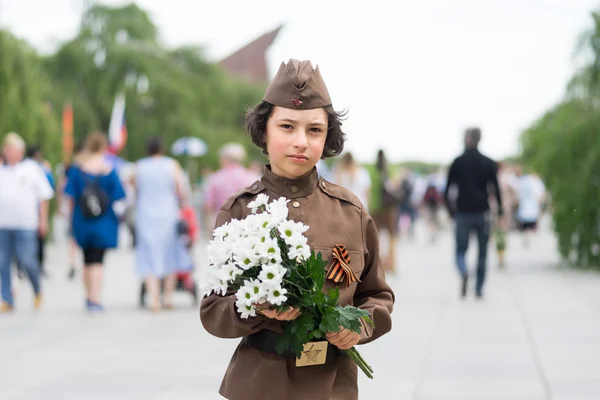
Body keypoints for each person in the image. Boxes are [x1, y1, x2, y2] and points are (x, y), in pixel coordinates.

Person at [200, 59, 394, 400]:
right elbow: (213, 309)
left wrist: (358, 326)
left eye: (314, 130)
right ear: (264, 131)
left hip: (334, 385)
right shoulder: (240, 210)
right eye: (287, 127)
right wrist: (255, 307)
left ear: (328, 137)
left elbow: (376, 295)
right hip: (261, 383)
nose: (301, 141)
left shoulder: (350, 211)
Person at [64, 132, 126, 312]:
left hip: (82, 221)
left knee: (86, 260)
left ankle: (88, 296)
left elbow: (70, 197)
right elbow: (120, 197)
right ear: (103, 148)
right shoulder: (109, 170)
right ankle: (95, 300)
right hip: (103, 222)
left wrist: (70, 220)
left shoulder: (77, 169)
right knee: (97, 261)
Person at [133, 136, 192, 312]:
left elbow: (135, 190)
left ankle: (153, 299)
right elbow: (181, 190)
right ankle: (167, 296)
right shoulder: (171, 165)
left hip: (146, 214)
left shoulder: (139, 166)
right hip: (168, 213)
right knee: (170, 252)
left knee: (149, 253)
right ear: (162, 148)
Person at [444, 127, 503, 299]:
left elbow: (447, 190)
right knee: (482, 252)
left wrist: (450, 210)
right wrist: (499, 210)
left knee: (460, 250)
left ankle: (463, 270)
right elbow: (496, 188)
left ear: (468, 139)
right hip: (482, 213)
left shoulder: (458, 161)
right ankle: (478, 288)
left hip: (462, 213)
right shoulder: (488, 162)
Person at [0, 133, 53, 312]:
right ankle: (7, 299)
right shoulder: (2, 169)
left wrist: (43, 220)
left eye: (15, 150)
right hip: (3, 224)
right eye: (8, 150)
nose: (11, 153)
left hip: (26, 223)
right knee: (2, 262)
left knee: (27, 260)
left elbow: (44, 195)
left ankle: (37, 289)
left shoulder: (31, 168)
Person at [203, 143, 258, 229]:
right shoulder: (251, 178)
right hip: (246, 226)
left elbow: (208, 206)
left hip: (222, 225)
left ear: (225, 159)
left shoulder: (215, 179)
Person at [25, 145, 55, 278]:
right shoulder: (42, 169)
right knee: (39, 241)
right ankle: (39, 266)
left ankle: (26, 267)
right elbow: (50, 188)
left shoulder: (21, 168)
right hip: (36, 209)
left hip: (25, 211)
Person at [369, 149, 399, 272]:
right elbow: (395, 186)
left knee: (376, 238)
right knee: (392, 237)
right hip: (389, 208)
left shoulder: (372, 171)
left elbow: (369, 190)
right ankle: (391, 263)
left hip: (375, 208)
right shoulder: (390, 169)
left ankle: (378, 264)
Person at [513, 165, 545, 248]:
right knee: (528, 222)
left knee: (528, 222)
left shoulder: (526, 181)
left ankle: (529, 236)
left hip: (529, 205)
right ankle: (529, 236)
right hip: (528, 205)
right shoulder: (529, 181)